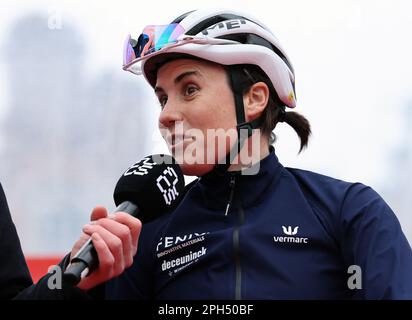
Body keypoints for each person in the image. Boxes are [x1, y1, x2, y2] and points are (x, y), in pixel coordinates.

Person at [103, 8, 412, 300]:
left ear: (255, 99)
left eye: (190, 89)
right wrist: (69, 287)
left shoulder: (352, 211)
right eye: (162, 99)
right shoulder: (146, 234)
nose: (165, 116)